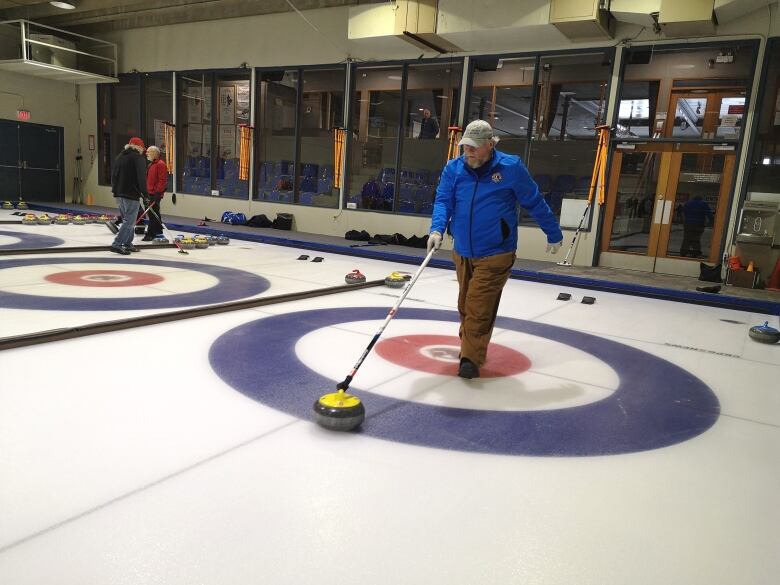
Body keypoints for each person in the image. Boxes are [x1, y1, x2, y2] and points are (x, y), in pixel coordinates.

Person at [427, 119, 563, 379]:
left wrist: (553, 233)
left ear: (491, 145)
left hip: (497, 251)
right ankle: (472, 345)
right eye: (466, 146)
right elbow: (443, 201)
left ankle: (470, 357)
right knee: (466, 305)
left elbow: (534, 201)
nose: (469, 151)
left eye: (475, 147)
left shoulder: (511, 168)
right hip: (463, 250)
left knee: (478, 305)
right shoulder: (454, 169)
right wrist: (437, 229)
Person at [109, 137, 147, 255]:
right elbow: (141, 178)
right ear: (139, 147)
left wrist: (115, 190)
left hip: (118, 193)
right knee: (129, 221)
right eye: (142, 149)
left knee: (128, 220)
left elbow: (114, 176)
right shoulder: (138, 158)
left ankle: (127, 243)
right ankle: (117, 244)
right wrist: (145, 194)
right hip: (131, 193)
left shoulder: (120, 157)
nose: (143, 151)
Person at [142, 145, 168, 241]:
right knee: (152, 213)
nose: (146, 153)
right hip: (149, 193)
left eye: (148, 152)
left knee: (153, 213)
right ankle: (157, 230)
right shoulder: (151, 164)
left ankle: (152, 232)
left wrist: (158, 193)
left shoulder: (160, 164)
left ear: (154, 153)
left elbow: (162, 180)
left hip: (155, 194)